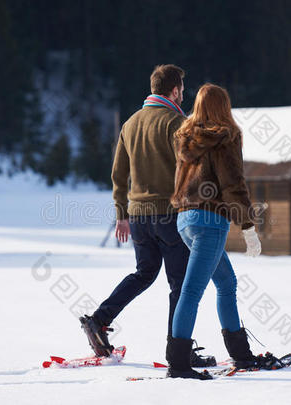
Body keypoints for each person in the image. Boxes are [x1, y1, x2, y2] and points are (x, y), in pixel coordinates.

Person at [79, 65, 215, 367]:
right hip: (170, 216)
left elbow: (118, 176)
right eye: (182, 89)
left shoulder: (130, 124)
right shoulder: (177, 122)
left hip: (138, 218)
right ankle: (178, 350)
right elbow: (192, 170)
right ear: (175, 90)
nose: (183, 94)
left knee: (144, 273)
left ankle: (100, 320)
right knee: (180, 285)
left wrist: (121, 214)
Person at [165, 83, 275, 380]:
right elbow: (233, 184)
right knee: (192, 291)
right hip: (210, 222)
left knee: (227, 283)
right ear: (223, 107)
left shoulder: (186, 137)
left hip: (185, 220)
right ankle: (178, 365)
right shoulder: (226, 136)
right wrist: (249, 227)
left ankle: (241, 354)